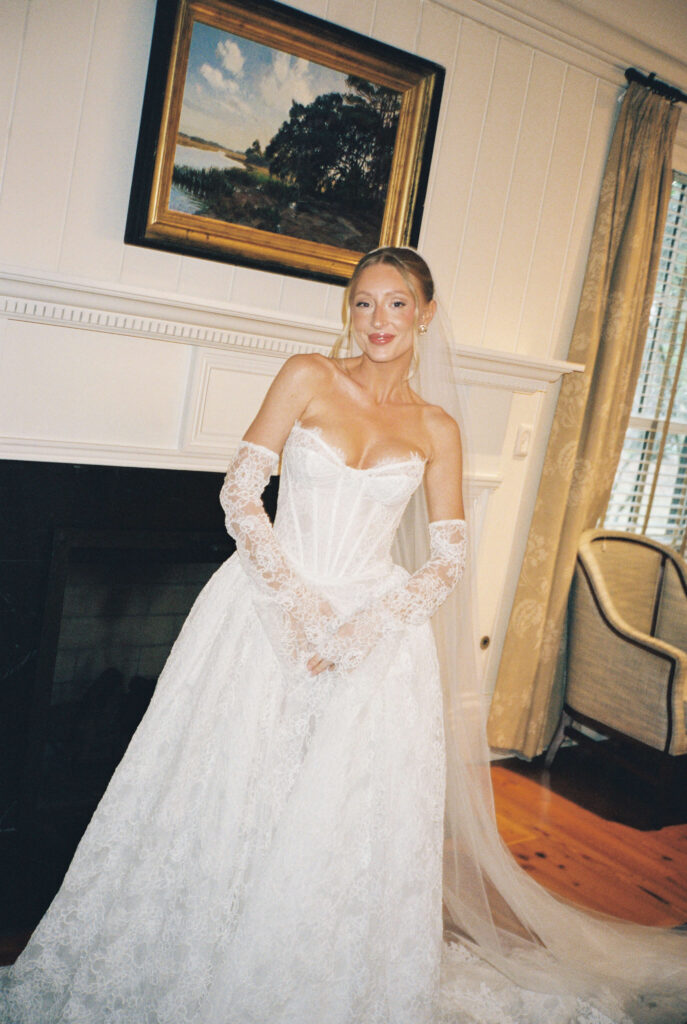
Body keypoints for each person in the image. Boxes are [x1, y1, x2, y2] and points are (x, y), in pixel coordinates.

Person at [1, 247, 686, 1024]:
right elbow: (241, 492)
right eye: (362, 302)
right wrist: (294, 605)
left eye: (395, 304)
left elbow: (448, 556)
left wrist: (364, 630)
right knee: (229, 792)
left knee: (330, 818)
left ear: (425, 313)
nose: (376, 320)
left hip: (373, 634)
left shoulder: (436, 426)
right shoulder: (308, 376)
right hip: (263, 609)